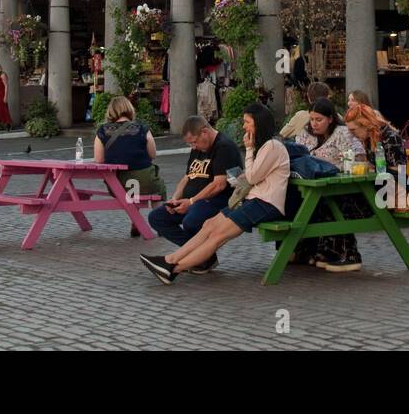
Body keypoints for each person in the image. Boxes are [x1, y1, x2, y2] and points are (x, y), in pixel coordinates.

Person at [140, 104, 289, 284]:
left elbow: (251, 176)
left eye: (247, 122)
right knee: (209, 226)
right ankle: (170, 260)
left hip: (264, 204)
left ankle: (173, 269)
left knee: (217, 236)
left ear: (259, 123)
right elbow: (250, 177)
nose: (244, 127)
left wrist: (248, 149)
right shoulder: (264, 147)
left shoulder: (272, 146)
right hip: (252, 201)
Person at [290, 97, 368, 271]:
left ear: (330, 119)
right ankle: (310, 251)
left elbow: (356, 158)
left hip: (341, 188)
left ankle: (345, 253)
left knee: (329, 204)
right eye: (311, 119)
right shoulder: (305, 134)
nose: (314, 124)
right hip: (311, 187)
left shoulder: (342, 133)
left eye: (319, 120)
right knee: (295, 202)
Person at [146, 116, 241, 252]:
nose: (193, 146)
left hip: (214, 201)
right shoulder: (197, 149)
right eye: (190, 144)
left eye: (194, 142)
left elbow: (219, 184)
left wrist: (191, 202)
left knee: (191, 220)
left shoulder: (224, 147)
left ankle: (199, 255)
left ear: (204, 131)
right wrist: (175, 199)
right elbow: (186, 178)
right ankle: (201, 256)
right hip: (191, 201)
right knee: (157, 217)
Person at [95, 96, 167, 235]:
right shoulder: (142, 128)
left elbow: (99, 159)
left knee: (133, 191)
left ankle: (136, 222)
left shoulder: (102, 131)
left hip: (118, 182)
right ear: (129, 109)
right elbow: (152, 154)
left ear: (111, 111)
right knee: (156, 192)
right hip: (145, 178)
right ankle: (160, 223)